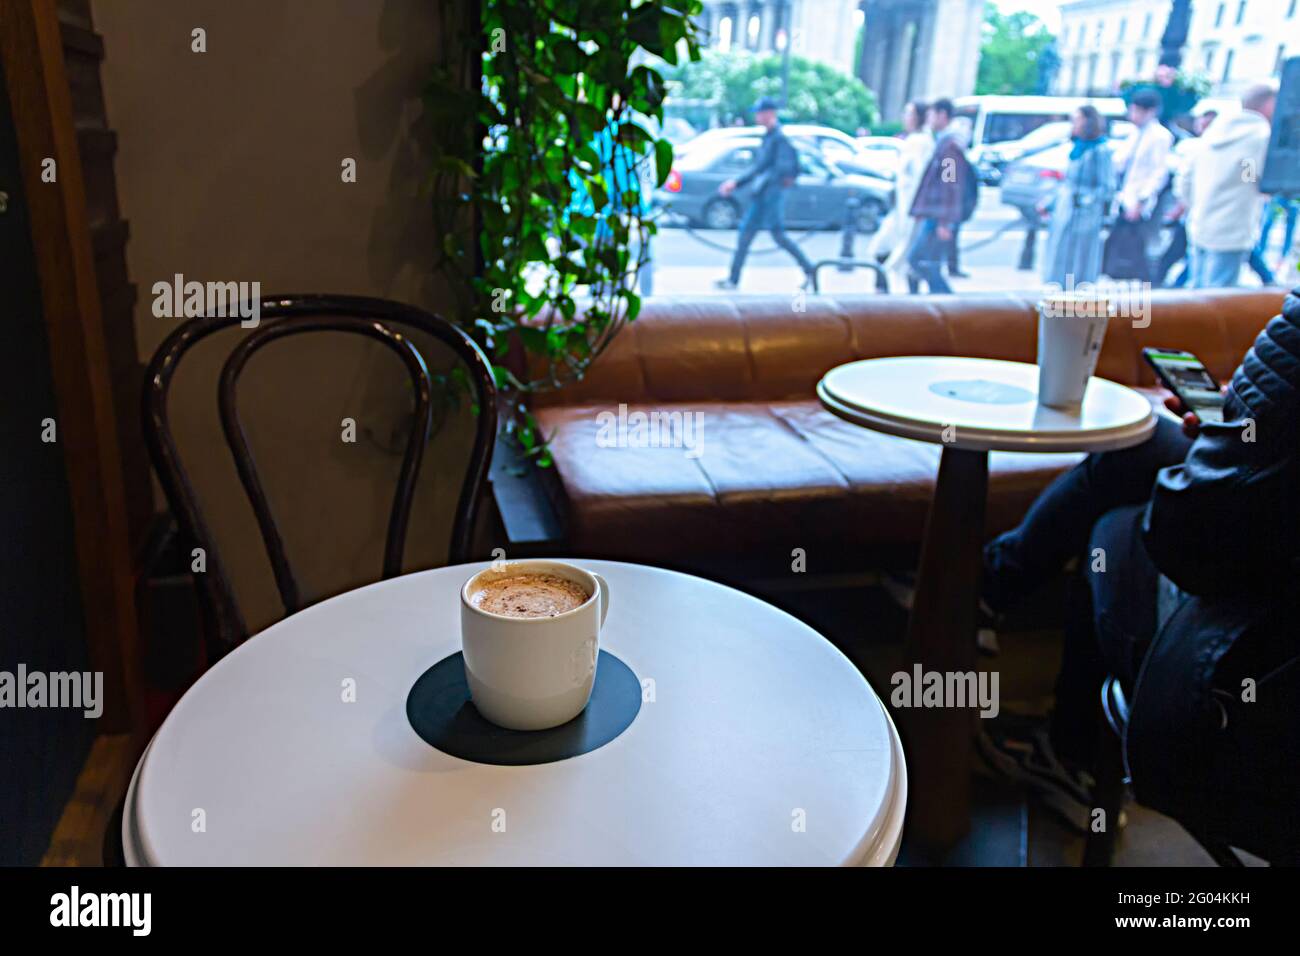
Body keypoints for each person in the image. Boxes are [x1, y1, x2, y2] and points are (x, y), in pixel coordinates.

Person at [977, 288, 1300, 853]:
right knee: (1145, 443)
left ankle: (1073, 756)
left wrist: (1227, 452)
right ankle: (988, 590)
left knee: (1118, 528)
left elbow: (1191, 539)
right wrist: (1231, 441)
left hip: (1255, 689)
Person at [1180, 83, 1276, 289]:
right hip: (1231, 228)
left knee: (1195, 291)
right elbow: (1251, 177)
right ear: (1269, 105)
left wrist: (1193, 206)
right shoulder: (1258, 137)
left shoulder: (1213, 132)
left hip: (1199, 222)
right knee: (1217, 299)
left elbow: (1186, 177)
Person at [715, 96, 816, 291]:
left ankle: (809, 269)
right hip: (763, 194)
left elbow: (777, 168)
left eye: (760, 113)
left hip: (772, 193)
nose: (757, 117)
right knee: (747, 234)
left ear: (770, 114)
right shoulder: (770, 137)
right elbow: (760, 167)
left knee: (777, 234)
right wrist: (738, 183)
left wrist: (740, 183)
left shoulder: (778, 138)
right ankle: (733, 279)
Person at [1039, 105, 1114, 288]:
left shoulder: (1100, 151)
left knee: (1079, 256)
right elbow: (1067, 182)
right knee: (1060, 252)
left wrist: (1085, 201)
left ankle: (1077, 291)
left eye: (1077, 119)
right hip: (1066, 210)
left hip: (1085, 214)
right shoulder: (1077, 148)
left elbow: (1107, 187)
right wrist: (1049, 203)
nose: (1074, 124)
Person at [904, 98, 972, 294]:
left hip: (938, 216)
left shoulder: (949, 147)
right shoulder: (945, 142)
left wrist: (945, 221)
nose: (929, 119)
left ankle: (945, 301)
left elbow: (950, 184)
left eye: (933, 114)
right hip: (935, 213)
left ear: (943, 115)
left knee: (919, 260)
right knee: (922, 261)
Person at [1105, 89, 1172, 282]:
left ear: (1150, 112)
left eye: (1138, 111)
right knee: (1122, 241)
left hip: (1141, 198)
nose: (1133, 116)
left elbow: (1158, 172)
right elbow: (1121, 162)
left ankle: (1147, 281)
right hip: (1125, 195)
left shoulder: (1160, 136)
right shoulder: (1134, 133)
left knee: (1141, 244)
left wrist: (1142, 200)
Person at [865, 100, 933, 290]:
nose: (905, 118)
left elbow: (935, 178)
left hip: (911, 207)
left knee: (907, 255)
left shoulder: (929, 143)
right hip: (904, 206)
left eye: (909, 114)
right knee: (886, 248)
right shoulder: (918, 141)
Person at [1158, 108, 1217, 288]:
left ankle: (1173, 286)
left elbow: (1185, 182)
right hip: (1200, 213)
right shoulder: (1198, 148)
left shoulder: (1201, 149)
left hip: (1203, 214)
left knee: (1194, 257)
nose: (1201, 127)